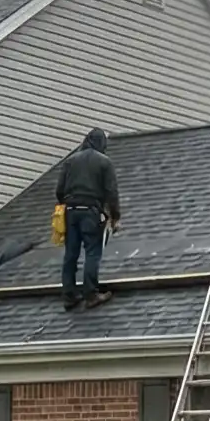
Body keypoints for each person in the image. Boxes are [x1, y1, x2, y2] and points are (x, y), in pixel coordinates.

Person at [56, 128, 121, 310]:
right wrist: (115, 217)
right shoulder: (104, 162)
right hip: (91, 211)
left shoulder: (70, 161)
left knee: (71, 253)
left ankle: (69, 295)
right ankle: (90, 294)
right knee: (93, 252)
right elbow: (111, 192)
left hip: (70, 211)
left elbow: (59, 190)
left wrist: (68, 204)